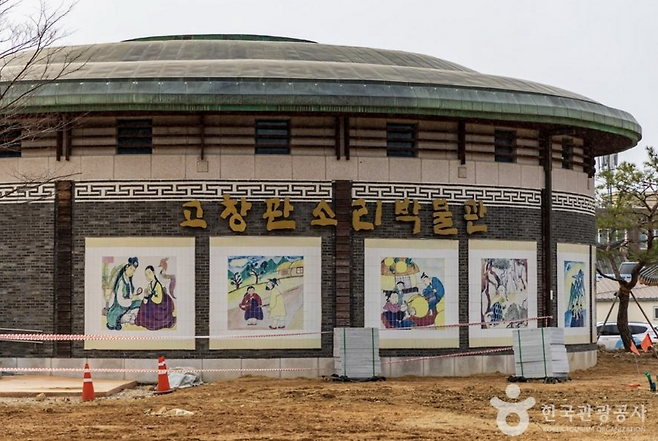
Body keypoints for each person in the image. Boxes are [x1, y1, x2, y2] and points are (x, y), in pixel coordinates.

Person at [134, 265, 176, 331]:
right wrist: (146, 296)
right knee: (143, 305)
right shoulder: (149, 285)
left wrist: (151, 296)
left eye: (149, 273)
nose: (148, 276)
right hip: (152, 304)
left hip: (160, 306)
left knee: (152, 315)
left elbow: (159, 300)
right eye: (146, 275)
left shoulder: (158, 285)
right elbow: (145, 300)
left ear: (154, 273)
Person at [106, 257, 142, 331]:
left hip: (127, 304)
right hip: (120, 306)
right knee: (121, 317)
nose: (132, 272)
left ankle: (130, 315)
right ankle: (125, 317)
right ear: (126, 267)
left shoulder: (128, 280)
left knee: (141, 303)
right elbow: (120, 300)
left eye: (134, 270)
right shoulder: (121, 282)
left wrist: (134, 296)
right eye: (131, 269)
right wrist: (131, 300)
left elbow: (130, 294)